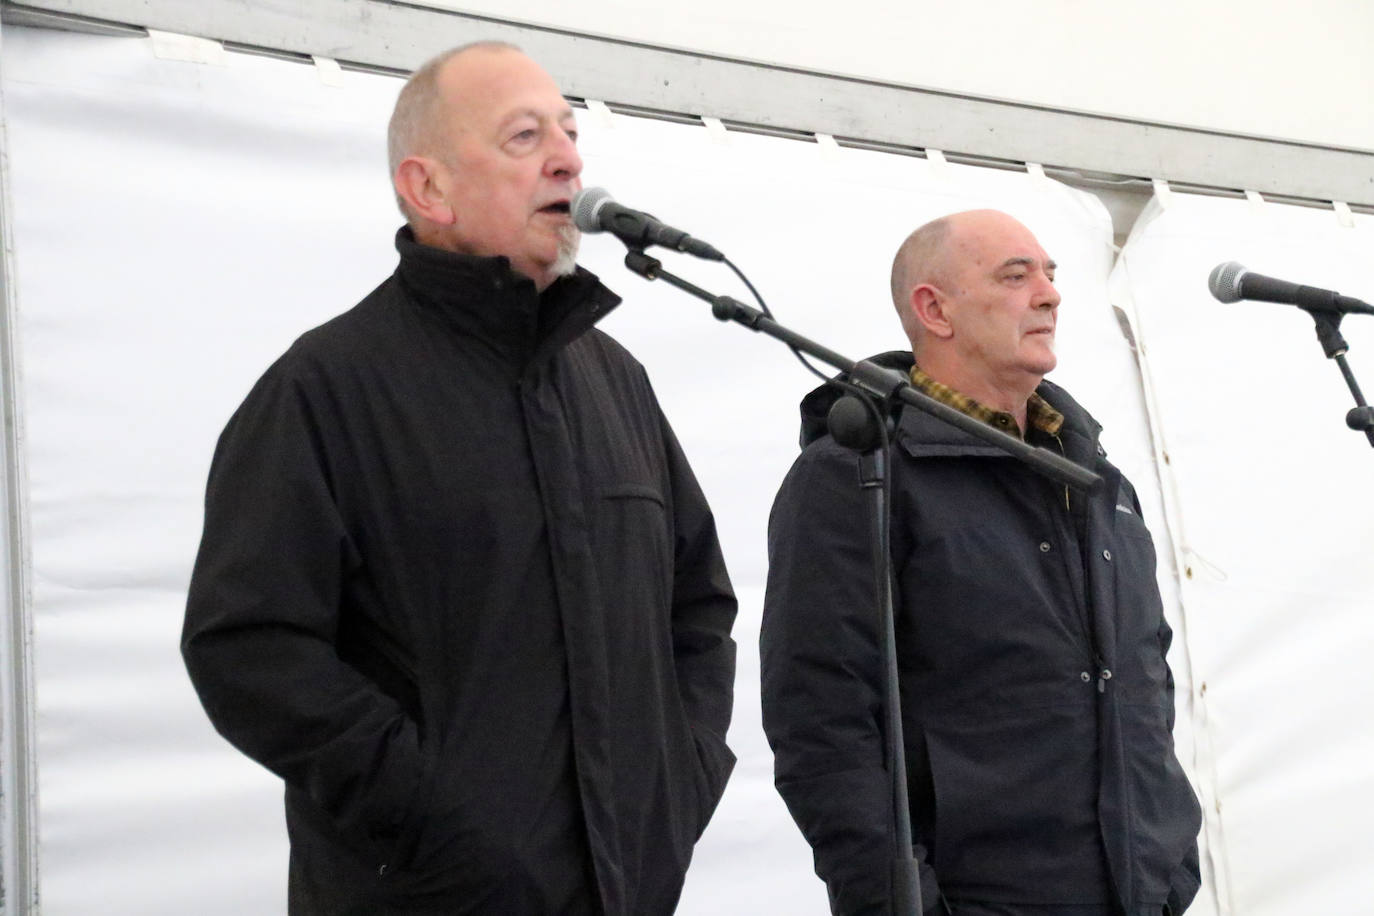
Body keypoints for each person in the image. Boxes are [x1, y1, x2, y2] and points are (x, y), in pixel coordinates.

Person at [182, 42, 737, 915]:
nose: (569, 159)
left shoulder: (615, 381)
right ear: (427, 187)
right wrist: (433, 820)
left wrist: (681, 777)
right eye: (524, 137)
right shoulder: (325, 390)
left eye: (569, 131)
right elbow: (249, 649)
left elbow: (697, 606)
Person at [760, 210, 1202, 916]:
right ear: (935, 310)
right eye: (1015, 275)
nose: (1050, 294)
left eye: (1051, 274)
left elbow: (1146, 680)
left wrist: (1170, 863)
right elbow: (822, 723)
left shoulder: (1099, 483)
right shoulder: (858, 474)